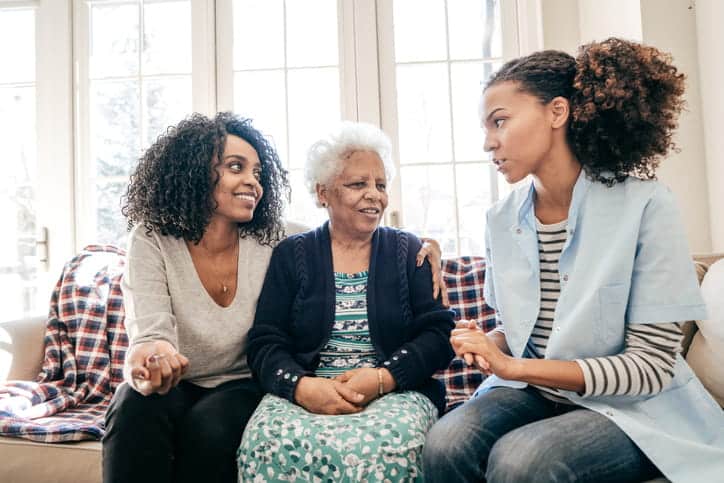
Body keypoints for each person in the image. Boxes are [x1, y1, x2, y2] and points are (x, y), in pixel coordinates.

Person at [423, 38, 724, 483]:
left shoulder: (647, 206)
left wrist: (515, 366)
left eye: (500, 121)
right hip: (535, 391)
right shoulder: (500, 220)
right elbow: (524, 329)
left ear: (557, 113)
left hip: (632, 406)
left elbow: (650, 367)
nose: (489, 142)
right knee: (445, 444)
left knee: (522, 461)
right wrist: (488, 343)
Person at [103, 113, 445, 483]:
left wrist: (427, 245)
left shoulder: (272, 237)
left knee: (211, 428)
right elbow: (150, 331)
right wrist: (153, 359)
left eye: (259, 173)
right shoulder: (153, 238)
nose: (253, 182)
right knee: (131, 409)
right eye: (237, 167)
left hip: (239, 381)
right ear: (194, 172)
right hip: (177, 381)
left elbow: (344, 233)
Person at [237, 121, 455, 481]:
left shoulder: (409, 251)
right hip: (309, 388)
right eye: (358, 184)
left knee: (386, 447)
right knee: (265, 441)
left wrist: (384, 377)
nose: (375, 195)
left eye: (381, 185)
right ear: (323, 193)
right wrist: (300, 386)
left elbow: (438, 334)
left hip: (393, 392)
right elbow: (265, 341)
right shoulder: (293, 254)